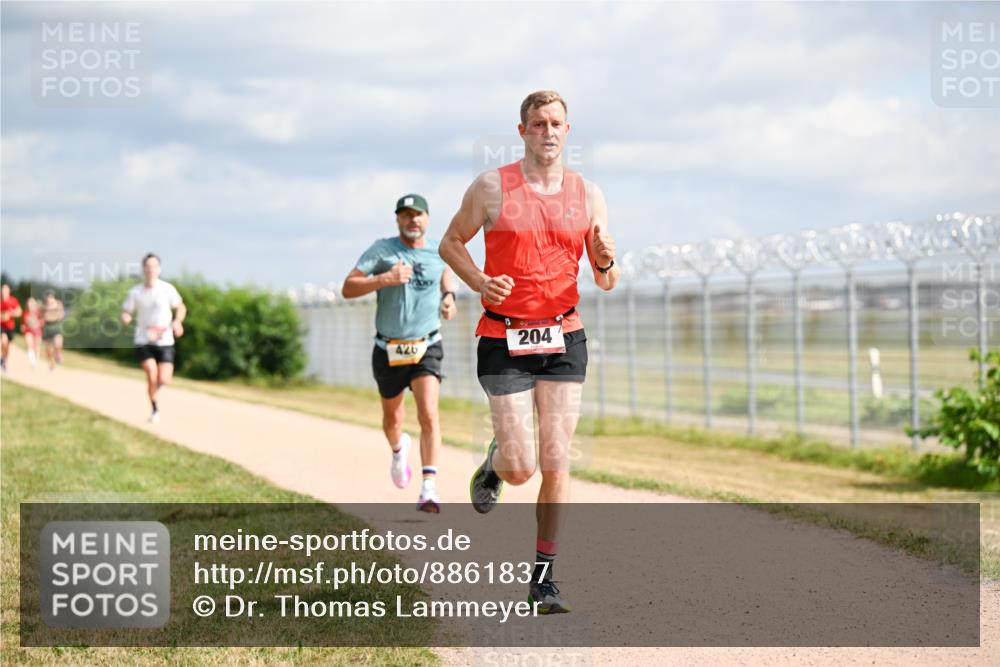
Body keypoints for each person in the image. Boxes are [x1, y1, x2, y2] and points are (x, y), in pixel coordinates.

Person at [439, 91, 619, 613]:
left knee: (557, 458)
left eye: (556, 123)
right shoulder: (492, 187)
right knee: (523, 468)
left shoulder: (588, 195)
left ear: (568, 130)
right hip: (504, 336)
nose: (548, 131)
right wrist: (477, 280)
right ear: (521, 131)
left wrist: (606, 260)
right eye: (538, 123)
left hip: (564, 334)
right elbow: (451, 241)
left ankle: (543, 579)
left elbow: (606, 279)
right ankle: (496, 462)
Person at [342, 194, 458, 513]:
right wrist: (384, 279)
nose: (412, 220)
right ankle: (397, 450)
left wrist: (448, 296)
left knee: (429, 413)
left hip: (426, 345)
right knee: (393, 418)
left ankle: (430, 487)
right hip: (388, 348)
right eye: (406, 215)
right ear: (397, 220)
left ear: (427, 218)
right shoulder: (382, 250)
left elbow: (445, 271)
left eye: (417, 214)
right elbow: (348, 287)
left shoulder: (439, 249)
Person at [121, 253, 186, 423]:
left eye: (154, 266)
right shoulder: (136, 292)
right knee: (151, 372)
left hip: (165, 341)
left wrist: (178, 321)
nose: (151, 269)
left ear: (159, 269)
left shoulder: (167, 289)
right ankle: (155, 408)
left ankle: (153, 390)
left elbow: (180, 307)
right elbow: (126, 311)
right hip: (144, 340)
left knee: (164, 379)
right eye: (148, 266)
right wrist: (125, 317)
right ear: (143, 269)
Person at [41, 291, 66, 371]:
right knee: (48, 349)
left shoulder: (58, 304)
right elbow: (46, 318)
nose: (49, 300)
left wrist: (55, 315)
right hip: (47, 329)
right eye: (48, 299)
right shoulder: (44, 307)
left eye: (50, 298)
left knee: (58, 342)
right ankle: (51, 363)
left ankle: (58, 354)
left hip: (56, 328)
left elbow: (61, 315)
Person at [1, 284, 23, 372]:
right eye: (2, 290)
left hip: (10, 327)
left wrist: (11, 313)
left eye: (5, 290)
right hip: (1, 326)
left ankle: (4, 359)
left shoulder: (13, 300)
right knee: (3, 340)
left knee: (7, 346)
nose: (3, 292)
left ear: (9, 291)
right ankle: (3, 358)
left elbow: (19, 312)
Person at [21, 297, 43, 369]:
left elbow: (43, 321)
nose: (30, 305)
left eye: (31, 303)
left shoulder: (38, 312)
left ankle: (36, 361)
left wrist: (38, 323)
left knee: (37, 346)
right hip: (28, 331)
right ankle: (32, 361)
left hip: (37, 332)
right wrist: (23, 327)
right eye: (29, 303)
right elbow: (23, 323)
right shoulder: (25, 313)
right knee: (29, 344)